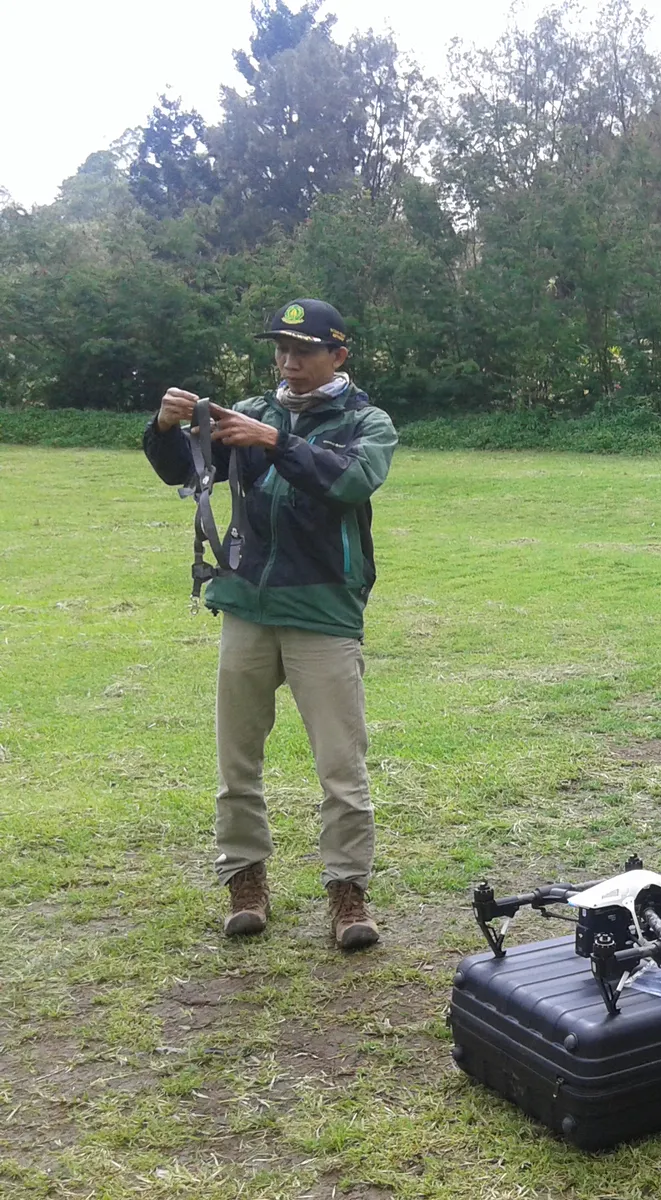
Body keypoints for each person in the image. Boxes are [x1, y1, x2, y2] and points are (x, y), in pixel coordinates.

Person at [143, 298, 398, 951]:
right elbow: (184, 470)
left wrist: (279, 442)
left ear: (338, 355)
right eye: (281, 349)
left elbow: (350, 481)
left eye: (304, 350)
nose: (288, 361)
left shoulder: (368, 422)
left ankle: (347, 893)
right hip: (247, 607)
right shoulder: (249, 412)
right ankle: (245, 881)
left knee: (341, 765)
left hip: (322, 612)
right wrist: (168, 427)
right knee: (237, 761)